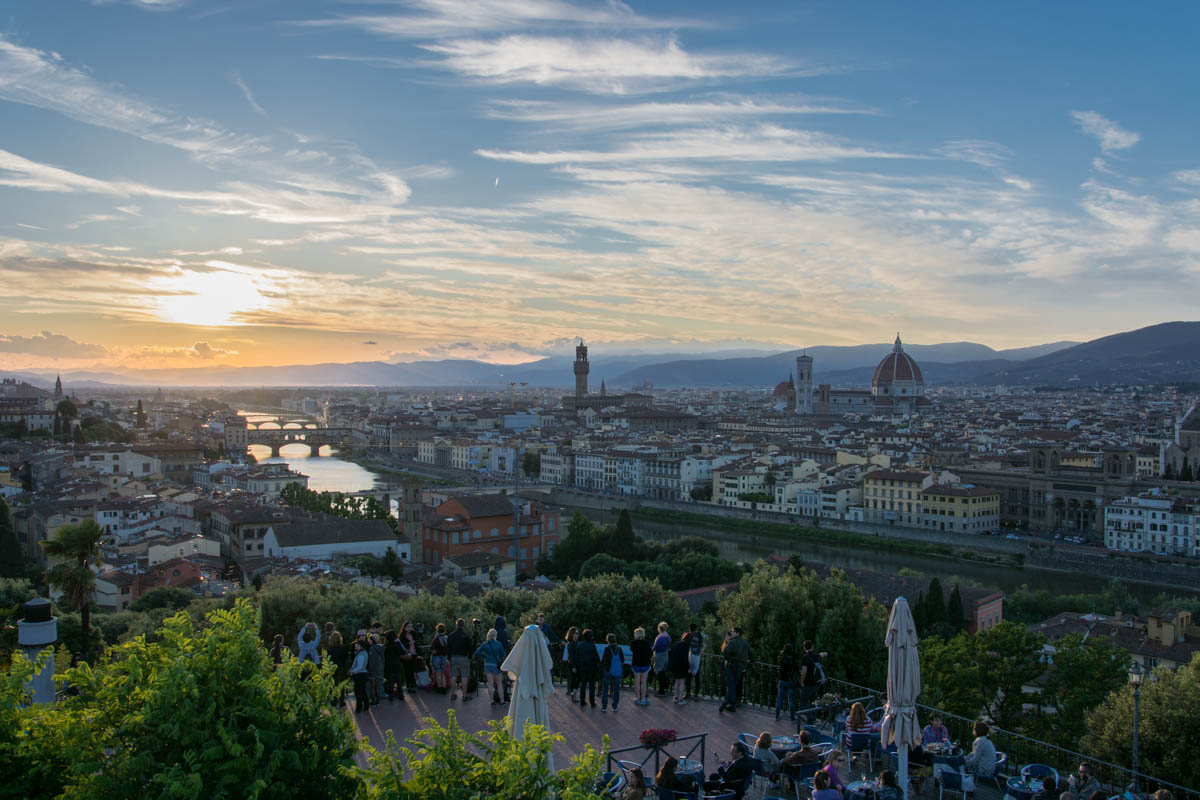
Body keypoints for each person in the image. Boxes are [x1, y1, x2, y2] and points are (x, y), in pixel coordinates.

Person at [719, 626, 751, 713]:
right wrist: (750, 662)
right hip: (740, 667)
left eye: (732, 631)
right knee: (733, 685)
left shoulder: (732, 642)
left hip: (731, 666)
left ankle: (728, 703)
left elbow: (725, 651)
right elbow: (752, 654)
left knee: (731, 686)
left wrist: (729, 659)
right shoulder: (745, 643)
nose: (731, 632)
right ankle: (730, 704)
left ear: (737, 633)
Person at [797, 639, 827, 726]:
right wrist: (825, 653)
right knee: (813, 702)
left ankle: (810, 719)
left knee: (804, 703)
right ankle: (813, 719)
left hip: (808, 684)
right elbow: (822, 654)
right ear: (812, 647)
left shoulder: (805, 658)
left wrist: (802, 682)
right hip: (817, 683)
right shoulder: (816, 656)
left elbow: (804, 671)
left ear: (804, 648)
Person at [475, 627, 508, 705]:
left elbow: (477, 652)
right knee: (499, 683)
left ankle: (491, 701)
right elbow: (503, 654)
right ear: (495, 635)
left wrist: (484, 656)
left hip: (487, 664)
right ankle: (502, 701)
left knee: (490, 683)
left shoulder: (485, 644)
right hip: (496, 665)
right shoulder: (499, 644)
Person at [447, 617, 474, 700]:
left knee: (453, 676)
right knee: (464, 676)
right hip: (464, 658)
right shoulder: (466, 636)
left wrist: (449, 657)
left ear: (456, 625)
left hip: (454, 657)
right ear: (463, 625)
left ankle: (452, 694)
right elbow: (470, 648)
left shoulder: (451, 635)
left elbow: (448, 647)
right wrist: (470, 657)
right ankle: (464, 695)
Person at [573, 628, 600, 708]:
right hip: (591, 667)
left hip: (582, 667)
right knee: (592, 685)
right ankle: (592, 702)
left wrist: (577, 665)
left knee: (583, 684)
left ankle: (582, 701)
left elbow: (576, 656)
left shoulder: (580, 645)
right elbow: (596, 657)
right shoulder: (592, 645)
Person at [600, 632, 624, 712]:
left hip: (608, 671)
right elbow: (623, 660)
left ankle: (604, 707)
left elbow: (603, 661)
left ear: (608, 640)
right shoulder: (619, 649)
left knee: (605, 689)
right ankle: (614, 706)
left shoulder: (607, 649)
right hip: (617, 672)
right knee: (616, 690)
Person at [629, 626, 653, 706]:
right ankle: (643, 699)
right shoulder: (647, 643)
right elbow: (651, 654)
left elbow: (632, 650)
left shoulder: (632, 643)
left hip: (635, 664)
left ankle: (636, 698)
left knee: (636, 681)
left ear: (636, 634)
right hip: (645, 664)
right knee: (643, 682)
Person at [326, 631, 350, 705]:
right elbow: (346, 658)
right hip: (342, 668)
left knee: (333, 685)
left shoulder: (329, 649)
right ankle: (341, 701)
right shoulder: (344, 648)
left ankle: (333, 700)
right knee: (342, 685)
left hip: (333, 668)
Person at [776, 643, 798, 721]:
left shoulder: (781, 658)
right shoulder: (792, 658)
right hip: (790, 680)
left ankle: (777, 715)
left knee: (780, 699)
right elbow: (796, 669)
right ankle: (792, 717)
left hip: (782, 680)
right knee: (791, 700)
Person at [669, 632, 691, 704]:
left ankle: (675, 697)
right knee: (682, 682)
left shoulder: (677, 644)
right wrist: (688, 667)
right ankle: (680, 699)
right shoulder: (686, 647)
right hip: (682, 666)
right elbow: (685, 658)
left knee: (677, 681)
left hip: (675, 665)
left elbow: (670, 653)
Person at [349, 640, 370, 713]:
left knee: (358, 692)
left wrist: (352, 671)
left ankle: (359, 707)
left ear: (361, 646)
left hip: (359, 675)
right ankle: (366, 705)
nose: (355, 646)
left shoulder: (361, 654)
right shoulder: (364, 653)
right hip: (363, 674)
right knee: (363, 691)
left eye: (357, 645)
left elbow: (360, 667)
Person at [382, 629, 404, 701]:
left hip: (389, 665)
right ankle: (401, 695)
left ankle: (391, 696)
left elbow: (383, 655)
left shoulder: (386, 646)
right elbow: (402, 652)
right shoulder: (397, 644)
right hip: (397, 664)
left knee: (391, 681)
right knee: (398, 680)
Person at [399, 621, 422, 690]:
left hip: (413, 654)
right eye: (408, 627)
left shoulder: (413, 634)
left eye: (411, 626)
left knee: (412, 670)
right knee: (407, 670)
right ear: (404, 627)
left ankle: (413, 685)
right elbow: (401, 645)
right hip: (406, 655)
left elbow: (418, 638)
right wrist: (409, 643)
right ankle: (408, 685)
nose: (410, 628)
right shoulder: (402, 636)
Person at [429, 622, 450, 693]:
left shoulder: (436, 639)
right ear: (444, 630)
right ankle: (444, 688)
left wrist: (435, 652)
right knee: (443, 673)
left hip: (436, 657)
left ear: (437, 630)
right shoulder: (447, 638)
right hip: (444, 657)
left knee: (438, 673)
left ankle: (439, 688)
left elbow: (431, 648)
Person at [652, 621, 672, 696]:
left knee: (659, 672)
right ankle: (664, 688)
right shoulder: (667, 636)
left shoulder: (660, 638)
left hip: (659, 655)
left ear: (659, 628)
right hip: (665, 654)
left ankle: (661, 690)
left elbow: (655, 647)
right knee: (663, 671)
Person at [686, 622, 704, 700]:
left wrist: (700, 652)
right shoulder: (688, 635)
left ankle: (694, 693)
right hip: (690, 657)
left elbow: (703, 645)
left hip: (695, 656)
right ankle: (689, 693)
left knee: (695, 676)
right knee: (689, 675)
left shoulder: (698, 635)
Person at [367, 633, 386, 705]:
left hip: (373, 670)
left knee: (372, 686)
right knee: (378, 686)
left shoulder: (372, 649)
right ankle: (378, 700)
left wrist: (369, 670)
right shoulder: (381, 648)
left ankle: (373, 701)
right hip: (380, 670)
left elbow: (372, 661)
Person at [564, 626, 581, 702]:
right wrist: (573, 666)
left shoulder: (577, 643)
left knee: (578, 679)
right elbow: (571, 656)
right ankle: (573, 695)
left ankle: (574, 693)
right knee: (574, 680)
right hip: (573, 665)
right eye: (576, 633)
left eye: (578, 633)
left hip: (578, 664)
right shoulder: (571, 644)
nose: (577, 635)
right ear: (572, 634)